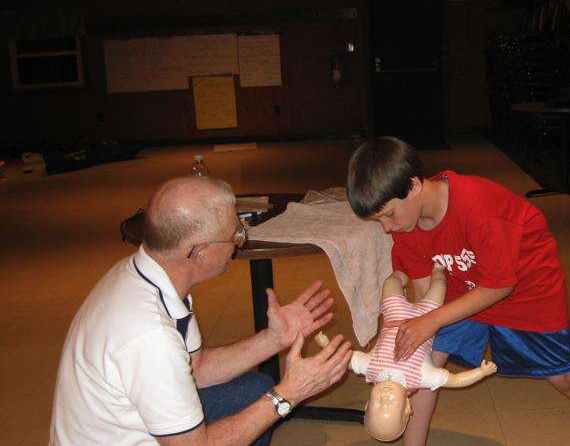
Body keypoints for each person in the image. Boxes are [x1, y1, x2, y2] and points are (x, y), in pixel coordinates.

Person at [346, 136, 570, 446]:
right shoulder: (406, 228)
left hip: (526, 285)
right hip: (462, 284)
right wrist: (416, 344)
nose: (387, 228)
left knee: (561, 376)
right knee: (423, 366)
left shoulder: (476, 207)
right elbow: (426, 297)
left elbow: (501, 284)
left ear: (413, 186)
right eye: (379, 221)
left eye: (389, 214)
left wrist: (432, 321)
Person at [50, 176, 352, 446]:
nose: (238, 243)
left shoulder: (145, 275)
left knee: (256, 388)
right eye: (235, 235)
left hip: (129, 423)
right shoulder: (150, 335)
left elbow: (198, 369)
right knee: (267, 398)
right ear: (199, 251)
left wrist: (273, 339)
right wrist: (289, 394)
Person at [314, 264, 496, 442]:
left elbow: (344, 358)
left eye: (377, 404)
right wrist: (481, 372)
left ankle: (403, 269)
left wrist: (326, 345)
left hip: (395, 312)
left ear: (367, 404)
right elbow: (454, 381)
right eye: (391, 403)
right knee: (439, 285)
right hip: (428, 316)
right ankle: (438, 269)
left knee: (391, 282)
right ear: (408, 406)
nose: (384, 397)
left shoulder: (370, 368)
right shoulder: (420, 377)